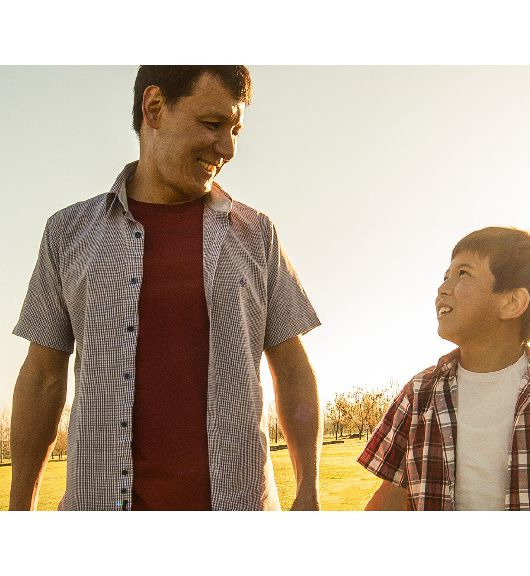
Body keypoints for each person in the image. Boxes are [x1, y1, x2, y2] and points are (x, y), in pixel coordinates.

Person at [9, 66, 322, 511]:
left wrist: (308, 491)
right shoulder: (67, 233)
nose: (229, 147)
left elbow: (292, 371)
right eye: (212, 124)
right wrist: (20, 509)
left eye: (236, 130)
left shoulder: (258, 235)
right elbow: (41, 377)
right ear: (154, 107)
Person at [358, 227, 530, 510]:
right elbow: (390, 494)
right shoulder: (419, 393)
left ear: (511, 303)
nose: (442, 287)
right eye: (445, 276)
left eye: (463, 273)